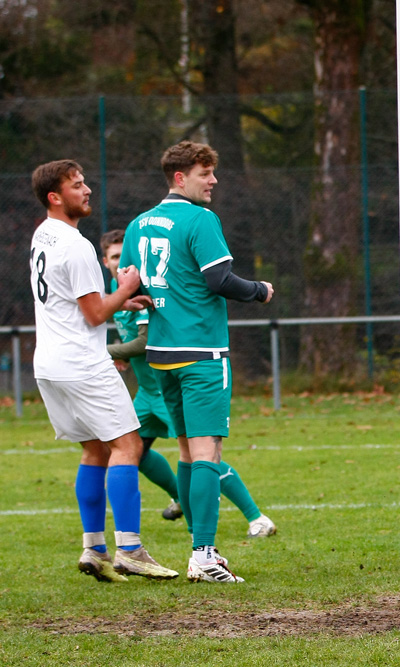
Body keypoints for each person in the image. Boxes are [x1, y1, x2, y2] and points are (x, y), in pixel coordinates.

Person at [119, 141, 274, 583]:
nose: (214, 181)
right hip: (202, 352)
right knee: (208, 452)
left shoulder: (139, 223)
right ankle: (204, 554)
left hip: (163, 353)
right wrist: (260, 289)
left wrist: (143, 301)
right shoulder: (201, 220)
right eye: (205, 173)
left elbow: (129, 284)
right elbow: (219, 279)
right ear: (180, 177)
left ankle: (198, 544)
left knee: (187, 451)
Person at [29, 159, 178, 583]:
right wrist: (127, 288)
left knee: (94, 449)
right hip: (81, 362)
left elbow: (74, 302)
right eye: (77, 186)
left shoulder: (43, 235)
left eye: (85, 182)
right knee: (128, 445)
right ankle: (130, 548)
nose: (87, 189)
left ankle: (93, 547)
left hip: (50, 364)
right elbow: (94, 314)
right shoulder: (75, 245)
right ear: (55, 197)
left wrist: (118, 302)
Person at [100, 230, 277, 539]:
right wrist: (122, 354)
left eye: (122, 256)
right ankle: (182, 499)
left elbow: (143, 341)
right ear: (106, 262)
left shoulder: (142, 287)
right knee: (130, 451)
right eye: (114, 257)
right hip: (146, 392)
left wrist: (105, 353)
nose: (120, 263)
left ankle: (257, 517)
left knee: (201, 453)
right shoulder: (117, 291)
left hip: (168, 384)